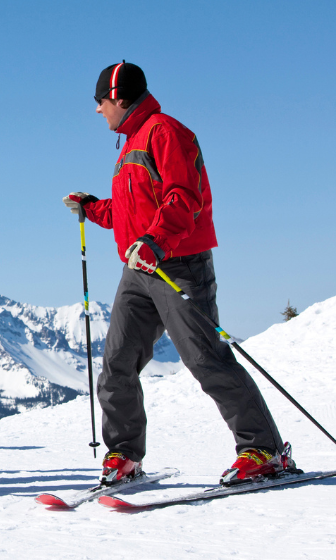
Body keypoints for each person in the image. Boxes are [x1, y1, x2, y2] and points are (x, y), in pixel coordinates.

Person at [63, 61, 292, 485]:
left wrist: (155, 243)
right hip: (139, 270)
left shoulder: (165, 132)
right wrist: (91, 206)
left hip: (178, 265)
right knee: (117, 362)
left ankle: (264, 450)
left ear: (117, 98)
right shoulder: (131, 141)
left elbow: (183, 197)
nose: (97, 111)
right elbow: (132, 213)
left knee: (206, 358)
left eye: (100, 102)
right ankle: (124, 455)